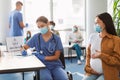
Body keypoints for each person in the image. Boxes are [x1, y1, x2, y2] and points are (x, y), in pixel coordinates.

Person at [82, 12, 120, 80]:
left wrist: (101, 55)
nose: (95, 25)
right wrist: (88, 68)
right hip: (92, 72)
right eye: (95, 23)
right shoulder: (92, 37)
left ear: (105, 23)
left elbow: (117, 61)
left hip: (108, 73)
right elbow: (88, 55)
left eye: (97, 22)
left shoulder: (116, 40)